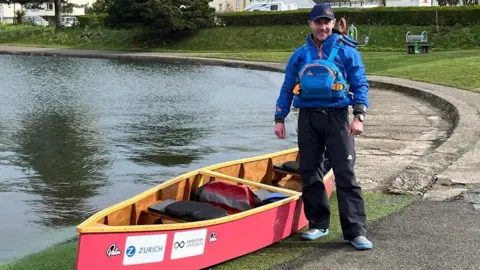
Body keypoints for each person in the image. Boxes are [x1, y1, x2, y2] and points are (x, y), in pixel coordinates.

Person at [273, 4, 372, 250]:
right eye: (318, 22)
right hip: (307, 118)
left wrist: (359, 115)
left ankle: (355, 232)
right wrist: (279, 118)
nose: (323, 27)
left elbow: (360, 83)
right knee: (309, 172)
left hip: (337, 117)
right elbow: (287, 88)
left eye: (326, 22)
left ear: (333, 23)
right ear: (310, 25)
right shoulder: (299, 55)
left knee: (345, 173)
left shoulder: (346, 52)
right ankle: (318, 223)